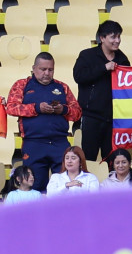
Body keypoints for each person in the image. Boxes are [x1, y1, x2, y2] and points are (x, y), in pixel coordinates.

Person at [7, 53, 81, 192]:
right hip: (33, 143)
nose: (47, 73)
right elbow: (11, 107)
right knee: (34, 185)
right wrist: (36, 108)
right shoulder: (22, 85)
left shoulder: (62, 87)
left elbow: (77, 113)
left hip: (59, 143)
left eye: (50, 69)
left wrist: (63, 110)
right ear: (34, 68)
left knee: (65, 185)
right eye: (43, 69)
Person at [73, 20, 130, 162]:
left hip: (113, 118)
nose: (117, 41)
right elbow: (79, 76)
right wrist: (103, 68)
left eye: (119, 37)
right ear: (102, 38)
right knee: (89, 158)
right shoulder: (87, 55)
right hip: (91, 116)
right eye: (113, 37)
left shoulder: (123, 59)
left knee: (111, 160)